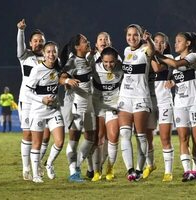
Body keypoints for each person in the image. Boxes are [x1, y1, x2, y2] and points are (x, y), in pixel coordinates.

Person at [157, 32, 196, 182]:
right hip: (180, 104)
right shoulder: (174, 59)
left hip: (195, 101)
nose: (175, 44)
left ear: (188, 43)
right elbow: (177, 77)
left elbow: (176, 66)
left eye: (179, 41)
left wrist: (157, 53)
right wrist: (172, 83)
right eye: (175, 41)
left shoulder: (193, 56)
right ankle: (187, 171)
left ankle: (195, 171)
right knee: (183, 138)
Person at [118, 24, 155, 181]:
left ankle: (139, 170)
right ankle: (130, 169)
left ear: (141, 36)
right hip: (125, 97)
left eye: (135, 35)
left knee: (141, 135)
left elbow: (152, 51)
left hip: (141, 98)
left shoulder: (145, 49)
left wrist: (150, 41)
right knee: (125, 133)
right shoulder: (126, 51)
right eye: (129, 35)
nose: (131, 38)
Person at [26, 41, 65, 183]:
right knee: (36, 143)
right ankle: (36, 175)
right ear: (43, 54)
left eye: (54, 51)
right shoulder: (37, 70)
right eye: (48, 51)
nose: (51, 54)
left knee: (60, 142)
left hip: (54, 110)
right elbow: (27, 92)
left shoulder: (58, 66)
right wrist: (41, 100)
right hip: (38, 112)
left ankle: (49, 163)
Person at [16, 19, 50, 180]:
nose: (38, 43)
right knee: (28, 133)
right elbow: (20, 48)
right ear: (30, 43)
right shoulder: (25, 57)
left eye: (41, 41)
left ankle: (38, 164)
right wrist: (21, 31)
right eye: (35, 41)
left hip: (43, 101)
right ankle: (26, 168)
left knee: (43, 136)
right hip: (27, 101)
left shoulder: (49, 59)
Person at [60, 34, 96, 182]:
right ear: (77, 47)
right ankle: (73, 171)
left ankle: (77, 167)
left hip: (89, 104)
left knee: (90, 138)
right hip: (77, 105)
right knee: (74, 139)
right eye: (84, 41)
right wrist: (68, 80)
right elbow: (60, 78)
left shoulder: (86, 60)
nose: (87, 42)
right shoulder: (72, 61)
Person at [143, 32, 174, 181]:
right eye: (155, 41)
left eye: (162, 42)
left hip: (165, 102)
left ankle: (168, 172)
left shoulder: (170, 59)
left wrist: (149, 51)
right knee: (147, 136)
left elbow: (157, 68)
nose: (158, 44)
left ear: (166, 45)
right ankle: (151, 164)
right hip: (149, 101)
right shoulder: (146, 55)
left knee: (164, 137)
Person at [91, 46, 123, 181]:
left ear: (116, 60)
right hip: (98, 106)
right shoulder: (94, 67)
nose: (108, 65)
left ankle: (110, 168)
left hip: (113, 106)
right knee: (99, 138)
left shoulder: (122, 68)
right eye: (105, 62)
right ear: (101, 60)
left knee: (114, 136)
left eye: (111, 62)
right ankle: (97, 171)